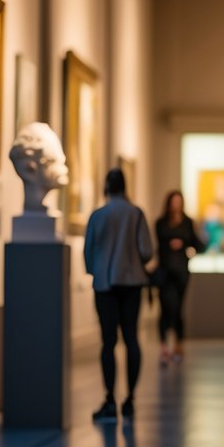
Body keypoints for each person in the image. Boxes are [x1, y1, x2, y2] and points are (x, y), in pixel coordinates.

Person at [83, 168, 153, 424]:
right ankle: (130, 399)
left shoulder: (98, 215)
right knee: (131, 338)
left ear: (106, 187)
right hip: (132, 282)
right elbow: (147, 251)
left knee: (108, 342)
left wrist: (98, 270)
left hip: (104, 285)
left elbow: (88, 253)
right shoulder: (135, 214)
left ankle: (110, 399)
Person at [154, 190, 206, 365]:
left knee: (177, 308)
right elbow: (159, 245)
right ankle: (163, 346)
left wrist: (186, 246)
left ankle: (178, 344)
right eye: (173, 202)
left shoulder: (187, 222)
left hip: (181, 272)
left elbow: (197, 244)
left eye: (179, 202)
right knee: (165, 307)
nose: (176, 205)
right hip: (164, 271)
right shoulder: (160, 223)